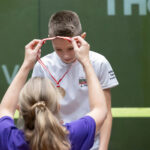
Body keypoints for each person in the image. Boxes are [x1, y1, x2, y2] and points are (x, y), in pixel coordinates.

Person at [32, 10, 119, 150]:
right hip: (54, 143)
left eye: (71, 48)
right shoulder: (42, 66)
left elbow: (106, 113)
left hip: (92, 144)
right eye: (58, 49)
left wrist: (103, 148)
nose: (66, 55)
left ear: (82, 37)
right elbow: (37, 112)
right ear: (50, 39)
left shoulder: (99, 63)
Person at [0, 37, 107, 150]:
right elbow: (100, 110)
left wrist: (26, 65)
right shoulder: (71, 136)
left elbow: (5, 109)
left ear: (20, 108)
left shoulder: (9, 138)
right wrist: (86, 62)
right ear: (58, 106)